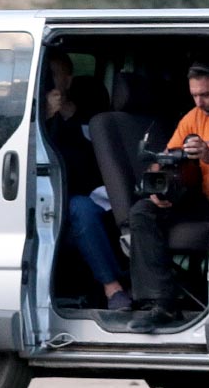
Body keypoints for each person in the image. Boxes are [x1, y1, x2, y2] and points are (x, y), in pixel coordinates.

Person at [43, 49, 132, 311]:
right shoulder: (36, 113)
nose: (49, 81)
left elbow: (93, 159)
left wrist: (69, 118)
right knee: (80, 208)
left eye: (54, 75)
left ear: (68, 80)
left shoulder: (91, 112)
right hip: (57, 198)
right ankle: (112, 288)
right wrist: (49, 117)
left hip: (100, 190)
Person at [127, 63, 209, 332]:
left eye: (206, 94)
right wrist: (158, 187)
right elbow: (166, 157)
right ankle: (161, 303)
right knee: (142, 211)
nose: (200, 101)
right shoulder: (194, 117)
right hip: (201, 200)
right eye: (195, 95)